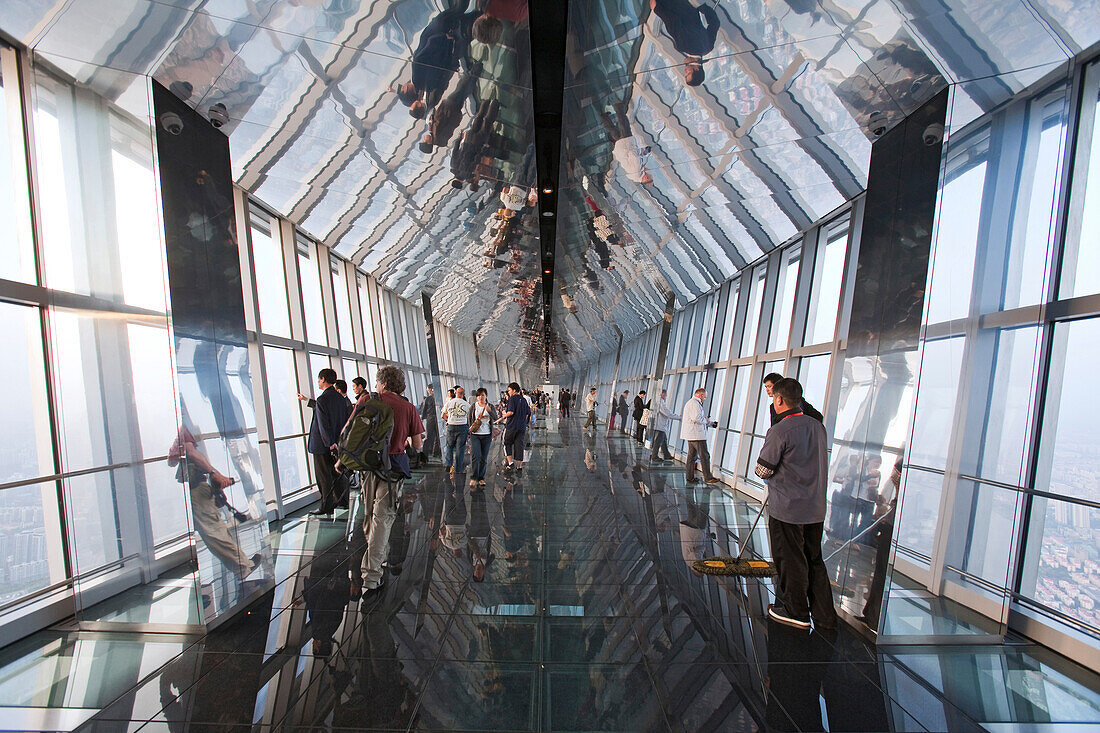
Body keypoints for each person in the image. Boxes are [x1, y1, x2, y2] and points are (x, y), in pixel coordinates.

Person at [754, 378, 836, 630]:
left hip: (788, 508)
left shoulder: (779, 430)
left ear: (778, 399)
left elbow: (763, 469)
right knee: (814, 559)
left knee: (790, 559)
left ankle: (796, 611)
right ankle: (824, 616)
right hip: (815, 508)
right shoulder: (817, 427)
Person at [343, 364, 424, 601]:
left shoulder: (367, 401)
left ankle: (374, 560)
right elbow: (418, 445)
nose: (376, 385)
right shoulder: (408, 408)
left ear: (384, 383)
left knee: (369, 516)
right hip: (393, 470)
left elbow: (348, 430)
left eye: (378, 382)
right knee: (383, 519)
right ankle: (372, 574)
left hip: (368, 467)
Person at [303, 368, 352, 516]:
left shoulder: (322, 399)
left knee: (323, 476)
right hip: (338, 442)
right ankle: (342, 501)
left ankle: (326, 505)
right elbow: (345, 422)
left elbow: (323, 425)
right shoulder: (340, 399)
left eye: (319, 379)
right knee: (337, 472)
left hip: (322, 445)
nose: (318, 382)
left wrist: (329, 443)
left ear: (323, 379)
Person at [651, 0, 719, 87]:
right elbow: (672, 22)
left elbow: (715, 23)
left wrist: (702, 8)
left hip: (688, 4)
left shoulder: (708, 47)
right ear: (697, 68)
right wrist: (657, 9)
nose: (685, 71)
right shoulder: (683, 46)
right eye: (688, 73)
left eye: (685, 75)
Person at [599, 101, 654, 185]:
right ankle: (604, 117)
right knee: (613, 131)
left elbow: (633, 154)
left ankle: (618, 106)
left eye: (650, 176)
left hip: (627, 145)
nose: (650, 174)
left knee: (624, 123)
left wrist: (641, 151)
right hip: (621, 149)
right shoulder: (634, 176)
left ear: (646, 178)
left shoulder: (637, 169)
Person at [681, 387, 720, 484]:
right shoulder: (694, 403)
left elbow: (697, 418)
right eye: (704, 397)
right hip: (697, 435)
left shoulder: (691, 403)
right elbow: (696, 418)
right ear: (701, 395)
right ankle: (708, 477)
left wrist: (710, 423)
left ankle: (689, 477)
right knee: (705, 456)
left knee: (691, 457)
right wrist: (706, 420)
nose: (704, 399)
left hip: (692, 434)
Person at [496, 382, 530, 474]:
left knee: (507, 443)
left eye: (509, 390)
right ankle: (519, 467)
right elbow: (527, 414)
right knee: (519, 446)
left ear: (514, 390)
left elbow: (510, 412)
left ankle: (511, 463)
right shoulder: (523, 400)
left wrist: (501, 418)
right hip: (521, 427)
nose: (508, 392)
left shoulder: (512, 399)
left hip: (512, 426)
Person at [468, 388, 495, 489]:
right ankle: (474, 477)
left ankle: (481, 478)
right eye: (479, 395)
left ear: (486, 395)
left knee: (484, 457)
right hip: (475, 435)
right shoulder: (473, 407)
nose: (480, 397)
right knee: (476, 456)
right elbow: (469, 420)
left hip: (487, 434)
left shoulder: (490, 406)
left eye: (482, 395)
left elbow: (496, 418)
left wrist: (489, 411)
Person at [442, 385, 471, 475]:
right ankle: (458, 469)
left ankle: (448, 465)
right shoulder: (467, 404)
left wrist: (450, 419)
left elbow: (443, 415)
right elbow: (470, 417)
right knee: (460, 448)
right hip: (462, 427)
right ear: (463, 395)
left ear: (455, 393)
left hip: (451, 426)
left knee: (449, 446)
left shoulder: (449, 402)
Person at [649, 388, 676, 462]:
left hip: (659, 425)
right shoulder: (660, 403)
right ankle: (654, 456)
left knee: (663, 440)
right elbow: (667, 413)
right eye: (665, 395)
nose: (666, 396)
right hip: (660, 425)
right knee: (659, 441)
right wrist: (678, 417)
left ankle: (666, 454)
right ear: (662, 394)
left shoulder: (658, 401)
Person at [419, 385, 440, 460]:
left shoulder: (428, 399)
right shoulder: (434, 398)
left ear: (431, 389)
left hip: (431, 418)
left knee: (436, 436)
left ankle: (435, 453)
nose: (428, 392)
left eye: (428, 390)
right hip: (432, 418)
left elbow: (424, 409)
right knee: (432, 436)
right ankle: (427, 454)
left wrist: (422, 418)